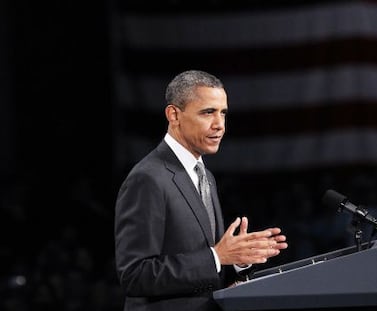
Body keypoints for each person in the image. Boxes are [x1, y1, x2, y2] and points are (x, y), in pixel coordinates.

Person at [114, 70, 288, 311]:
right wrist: (217, 257)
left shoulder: (206, 176)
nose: (219, 125)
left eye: (223, 113)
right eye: (208, 112)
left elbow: (206, 271)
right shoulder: (148, 178)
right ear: (174, 115)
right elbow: (135, 275)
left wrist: (236, 260)